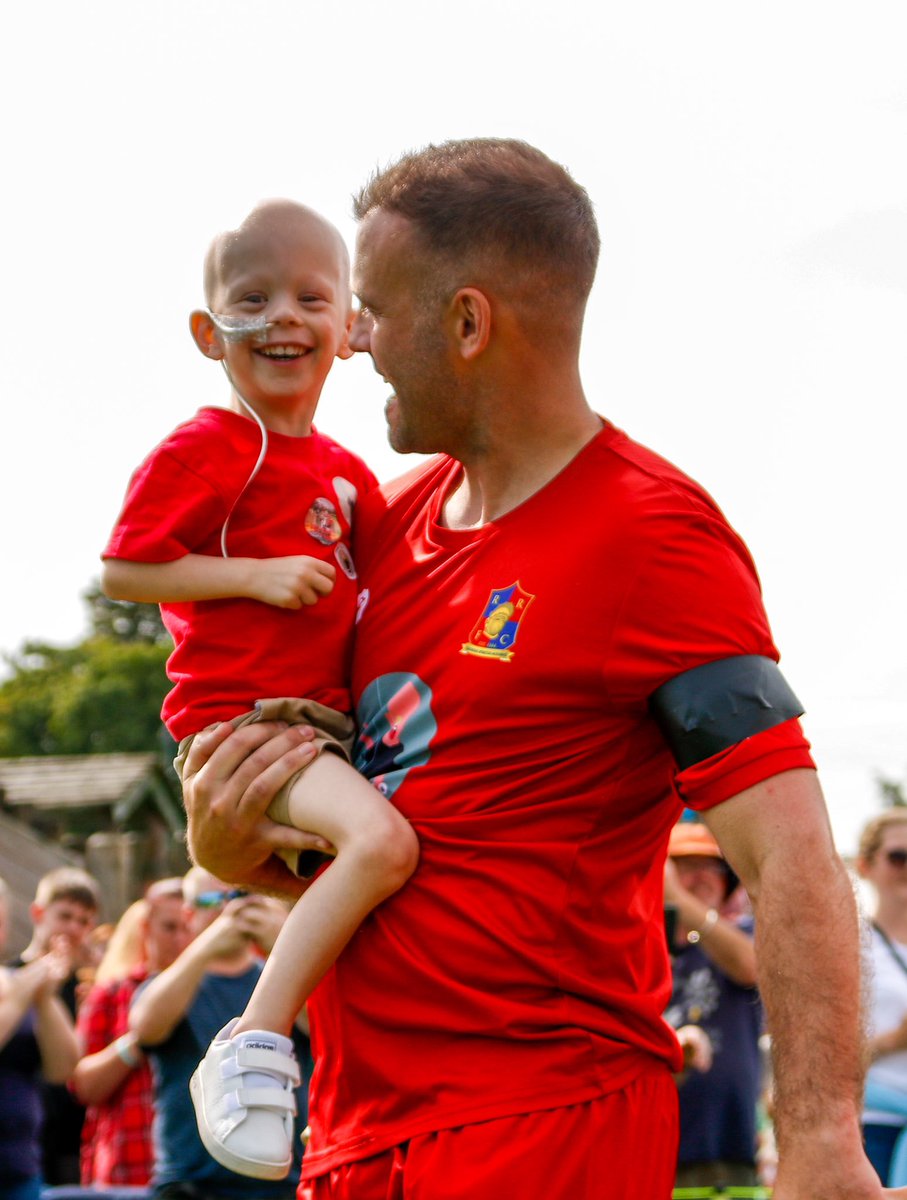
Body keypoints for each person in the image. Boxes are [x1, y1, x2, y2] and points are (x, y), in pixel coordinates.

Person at [178, 139, 903, 1200]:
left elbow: (790, 855)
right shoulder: (377, 529)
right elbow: (388, 835)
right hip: (347, 1135)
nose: (353, 341)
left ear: (468, 324)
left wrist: (822, 1146)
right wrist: (227, 840)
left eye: (373, 308)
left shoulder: (652, 537)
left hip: (542, 1126)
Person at [100, 199, 419, 1178]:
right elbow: (125, 570)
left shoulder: (346, 472)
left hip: (327, 729)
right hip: (245, 722)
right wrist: (251, 574)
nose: (282, 315)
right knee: (380, 843)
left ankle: (331, 1086)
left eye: (310, 297)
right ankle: (253, 1042)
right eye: (254, 297)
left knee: (372, 883)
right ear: (210, 331)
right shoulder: (208, 447)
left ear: (348, 329)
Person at [129, 867, 310, 1200]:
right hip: (188, 1182)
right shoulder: (171, 982)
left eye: (240, 896)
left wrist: (287, 945)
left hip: (279, 1179)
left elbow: (318, 1026)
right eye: (214, 899)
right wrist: (205, 947)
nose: (230, 909)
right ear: (188, 914)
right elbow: (145, 1029)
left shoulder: (281, 978)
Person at [663, 818, 762, 1189]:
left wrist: (677, 898)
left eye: (712, 867)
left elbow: (750, 966)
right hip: (648, 1142)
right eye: (686, 867)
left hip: (724, 1150)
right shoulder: (636, 947)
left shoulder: (745, 934)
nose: (702, 876)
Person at [72, 877, 190, 1188]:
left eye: (186, 926)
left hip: (197, 1176)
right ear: (146, 927)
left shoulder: (217, 989)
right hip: (128, 1172)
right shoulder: (110, 995)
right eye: (169, 927)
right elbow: (83, 1086)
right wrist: (140, 1040)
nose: (181, 938)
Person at [10, 866, 100, 1187]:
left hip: (76, 1138)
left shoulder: (92, 985)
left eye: (84, 921)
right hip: (21, 1142)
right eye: (65, 916)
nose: (74, 928)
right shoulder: (10, 980)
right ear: (38, 913)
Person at [0, 875, 80, 1200]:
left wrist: (45, 998)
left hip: (19, 1172)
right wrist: (23, 994)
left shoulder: (13, 982)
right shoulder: (17, 987)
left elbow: (63, 1068)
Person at [858, 811, 907, 1185]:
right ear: (865, 866)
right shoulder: (848, 948)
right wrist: (894, 1040)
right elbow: (817, 1056)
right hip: (873, 1126)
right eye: (898, 857)